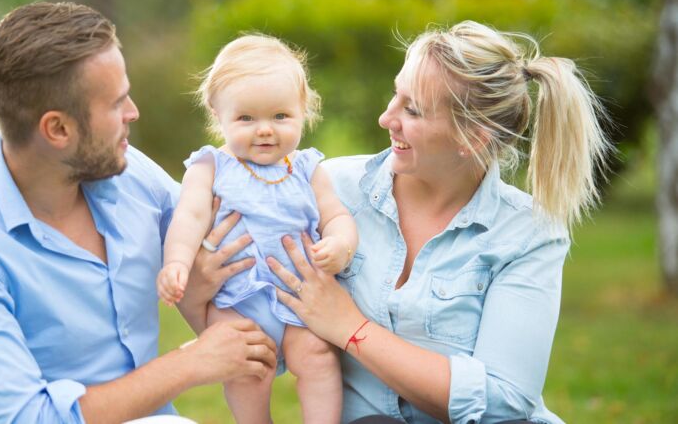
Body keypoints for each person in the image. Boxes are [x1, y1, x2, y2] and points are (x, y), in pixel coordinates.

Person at [181, 21, 611, 423]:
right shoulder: (329, 190)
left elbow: (504, 400)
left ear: (472, 138)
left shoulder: (527, 233)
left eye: (414, 111)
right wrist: (195, 291)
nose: (387, 119)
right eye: (395, 95)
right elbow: (257, 342)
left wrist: (351, 328)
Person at [0, 2, 276, 424]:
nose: (133, 112)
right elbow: (24, 418)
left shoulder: (127, 172)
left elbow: (229, 237)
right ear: (58, 129)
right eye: (116, 102)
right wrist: (191, 362)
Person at [158, 34, 358, 423]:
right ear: (218, 115)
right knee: (249, 369)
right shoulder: (210, 167)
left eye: (280, 116)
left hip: (300, 298)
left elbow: (336, 216)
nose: (264, 130)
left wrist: (340, 244)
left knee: (318, 357)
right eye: (246, 118)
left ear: (303, 112)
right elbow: (190, 217)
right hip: (238, 301)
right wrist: (177, 262)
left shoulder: (306, 168)